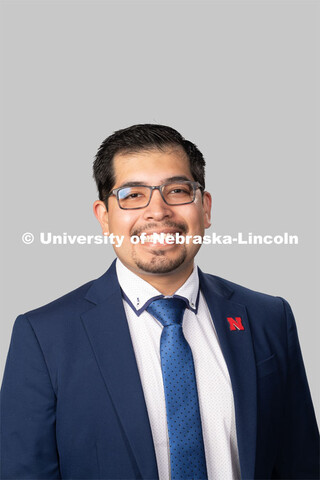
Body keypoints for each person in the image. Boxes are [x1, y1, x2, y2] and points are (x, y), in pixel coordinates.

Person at [1, 124, 318, 480]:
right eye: (133, 195)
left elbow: (301, 465)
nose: (158, 211)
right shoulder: (44, 336)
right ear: (104, 217)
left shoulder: (268, 318)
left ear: (206, 208)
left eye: (177, 191)